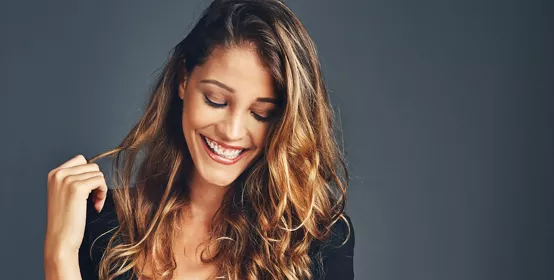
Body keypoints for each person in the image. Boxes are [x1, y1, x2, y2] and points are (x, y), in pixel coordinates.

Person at [44, 0, 355, 279]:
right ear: (183, 80)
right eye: (216, 100)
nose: (232, 132)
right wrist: (60, 256)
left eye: (261, 114)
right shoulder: (105, 224)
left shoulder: (317, 242)